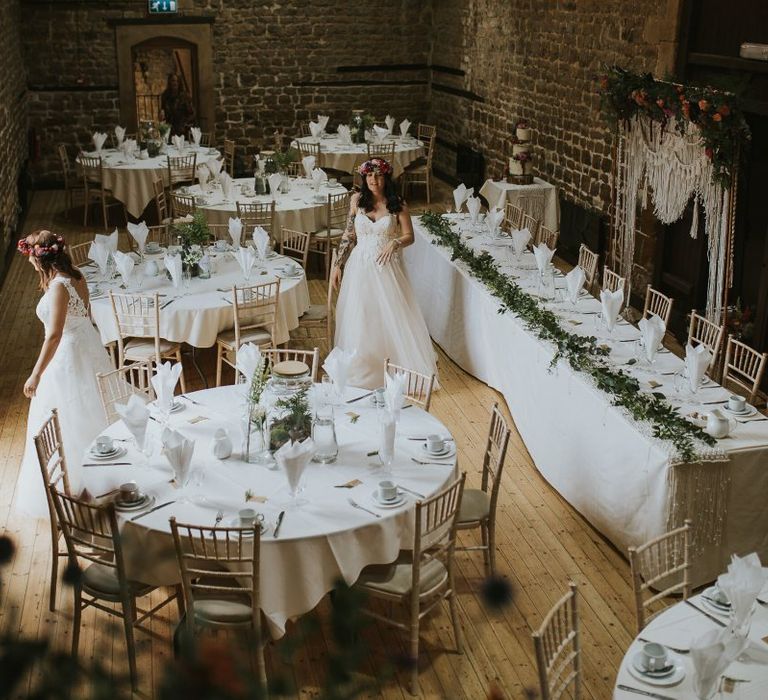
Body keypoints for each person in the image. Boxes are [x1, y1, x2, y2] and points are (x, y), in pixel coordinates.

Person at [15, 230, 113, 518]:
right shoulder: (77, 275)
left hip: (69, 352)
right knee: (94, 406)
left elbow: (55, 335)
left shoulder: (58, 287)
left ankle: (84, 484)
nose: (31, 263)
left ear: (41, 259)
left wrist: (35, 374)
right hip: (88, 344)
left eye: (32, 258)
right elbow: (85, 315)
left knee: (72, 413)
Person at [331, 158, 437, 389]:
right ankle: (362, 365)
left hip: (386, 267)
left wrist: (395, 242)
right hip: (359, 266)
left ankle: (392, 363)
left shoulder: (397, 203)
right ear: (364, 178)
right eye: (369, 176)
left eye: (378, 176)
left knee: (390, 314)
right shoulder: (357, 200)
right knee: (361, 314)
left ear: (386, 178)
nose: (373, 180)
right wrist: (338, 265)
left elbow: (410, 236)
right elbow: (349, 234)